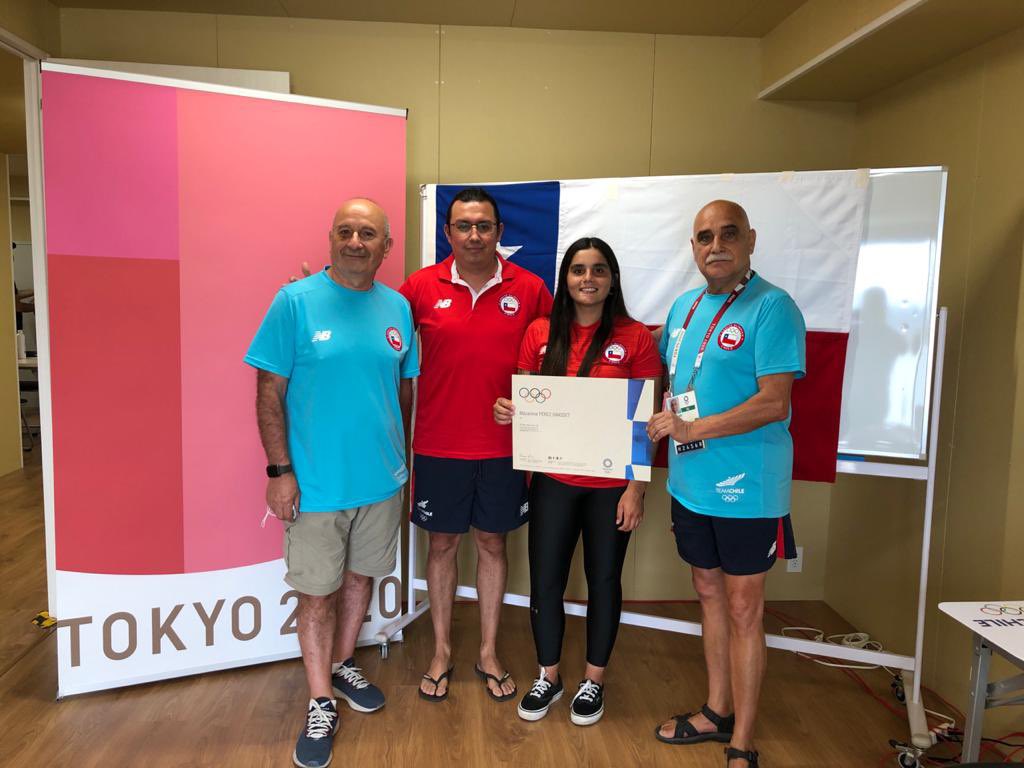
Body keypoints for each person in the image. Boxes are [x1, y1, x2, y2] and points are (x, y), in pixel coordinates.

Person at [245, 198, 418, 768]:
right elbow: (268, 393)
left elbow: (403, 389)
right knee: (316, 595)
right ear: (331, 238)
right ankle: (321, 699)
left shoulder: (397, 308)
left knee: (360, 581)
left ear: (386, 247)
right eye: (345, 230)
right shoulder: (293, 302)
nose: (355, 241)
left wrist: (404, 463)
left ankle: (344, 665)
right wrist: (279, 471)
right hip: (315, 487)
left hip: (382, 483)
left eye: (368, 233)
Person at [645, 200, 805, 768]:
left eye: (728, 234)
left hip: (748, 489)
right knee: (708, 595)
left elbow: (773, 401)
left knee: (743, 609)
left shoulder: (774, 308)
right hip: (691, 485)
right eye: (704, 236)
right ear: (692, 247)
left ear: (750, 241)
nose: (716, 245)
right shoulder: (684, 308)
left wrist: (693, 426)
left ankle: (744, 740)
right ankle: (716, 712)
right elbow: (673, 383)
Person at [493, 237, 662, 725]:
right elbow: (525, 399)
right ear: (564, 279)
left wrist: (637, 487)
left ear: (611, 281)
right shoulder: (540, 332)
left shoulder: (635, 338)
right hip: (553, 479)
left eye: (599, 270)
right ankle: (549, 676)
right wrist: (511, 410)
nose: (588, 278)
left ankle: (593, 680)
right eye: (578, 270)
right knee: (546, 579)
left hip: (612, 486)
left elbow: (645, 418)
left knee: (603, 580)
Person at [399, 187, 553, 702]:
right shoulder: (419, 288)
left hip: (505, 447)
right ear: (448, 233)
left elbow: (560, 360)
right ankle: (441, 649)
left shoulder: (530, 289)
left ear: (499, 233)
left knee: (492, 543)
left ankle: (488, 650)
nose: (473, 235)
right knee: (441, 545)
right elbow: (378, 334)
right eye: (463, 225)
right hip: (438, 443)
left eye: (483, 225)